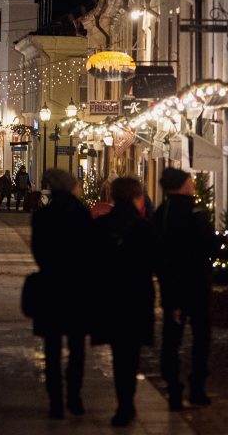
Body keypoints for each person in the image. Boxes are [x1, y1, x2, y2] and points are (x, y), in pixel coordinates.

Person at [92, 177, 157, 426]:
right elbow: (158, 264)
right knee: (132, 352)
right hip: (137, 298)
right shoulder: (145, 228)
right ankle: (126, 403)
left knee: (119, 352)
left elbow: (90, 263)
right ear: (136, 197)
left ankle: (124, 405)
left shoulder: (101, 226)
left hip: (110, 297)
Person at [30, 169, 93, 419]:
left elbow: (38, 252)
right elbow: (90, 250)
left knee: (52, 347)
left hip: (51, 286)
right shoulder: (82, 214)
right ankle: (74, 397)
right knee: (77, 346)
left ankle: (55, 401)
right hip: (77, 287)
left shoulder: (42, 216)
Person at [154, 168, 217, 410]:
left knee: (171, 339)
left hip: (171, 286)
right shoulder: (195, 212)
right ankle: (197, 388)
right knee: (201, 337)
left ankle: (173, 390)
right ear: (182, 184)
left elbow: (159, 253)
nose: (193, 183)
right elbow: (209, 247)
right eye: (189, 180)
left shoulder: (162, 212)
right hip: (197, 285)